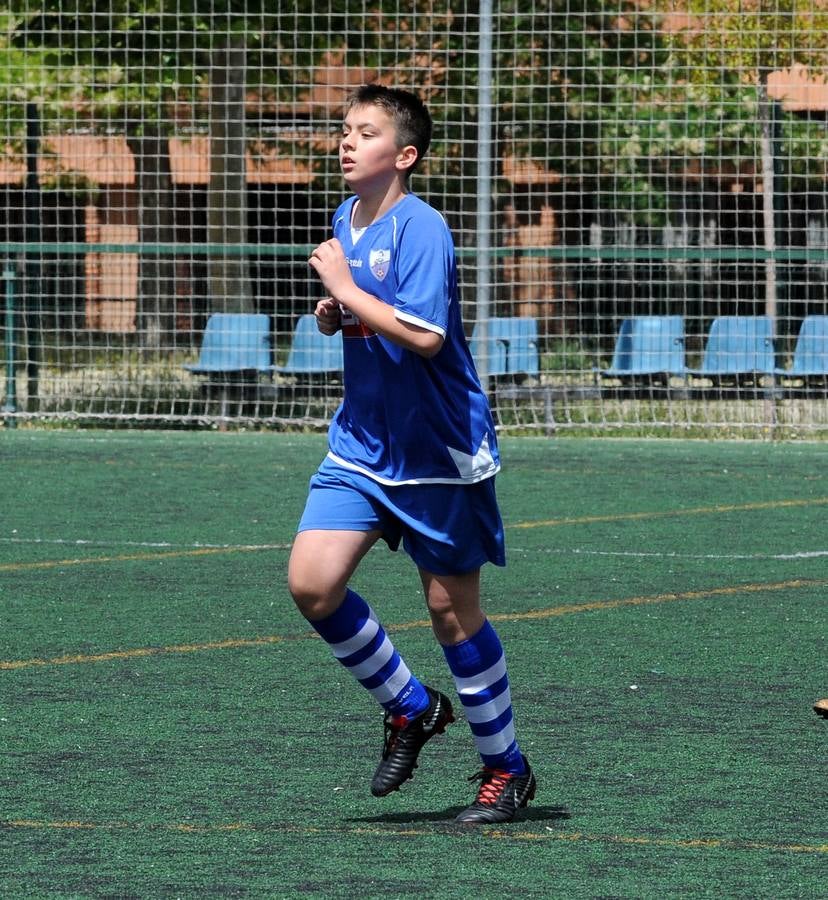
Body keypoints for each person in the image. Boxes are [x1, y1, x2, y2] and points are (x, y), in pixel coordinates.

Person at [287, 83, 535, 824]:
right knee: (312, 585)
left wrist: (340, 287)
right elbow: (366, 317)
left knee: (450, 612)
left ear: (404, 155)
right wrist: (335, 312)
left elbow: (425, 337)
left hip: (436, 452)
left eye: (364, 133)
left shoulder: (424, 227)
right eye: (344, 130)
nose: (346, 141)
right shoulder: (347, 218)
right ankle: (411, 706)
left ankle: (507, 770)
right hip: (362, 446)